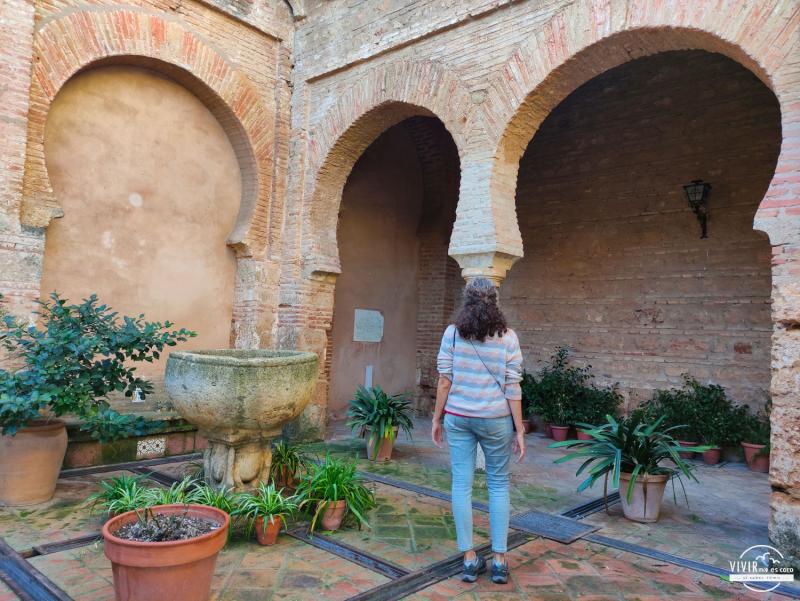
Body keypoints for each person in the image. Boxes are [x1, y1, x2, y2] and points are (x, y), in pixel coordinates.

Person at [432, 277, 525, 585]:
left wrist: (436, 418)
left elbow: (444, 380)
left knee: (462, 484)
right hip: (496, 419)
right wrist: (520, 430)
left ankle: (470, 559)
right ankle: (499, 561)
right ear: (494, 301)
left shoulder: (452, 334)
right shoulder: (508, 338)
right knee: (498, 485)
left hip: (459, 417)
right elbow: (513, 386)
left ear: (467, 300)